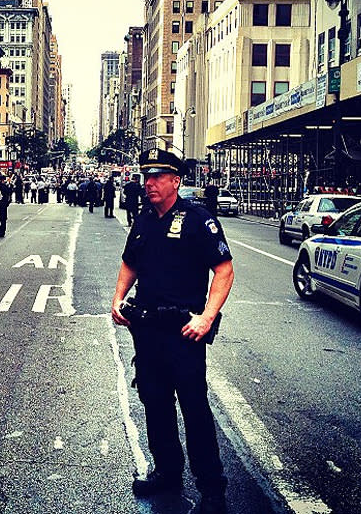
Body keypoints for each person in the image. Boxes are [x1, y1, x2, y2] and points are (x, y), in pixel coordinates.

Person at [111, 148, 234, 514]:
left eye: (156, 177)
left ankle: (212, 489)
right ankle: (167, 471)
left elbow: (224, 270)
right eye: (145, 177)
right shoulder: (145, 218)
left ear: (175, 181)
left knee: (194, 408)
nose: (148, 184)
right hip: (147, 330)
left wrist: (207, 317)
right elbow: (129, 261)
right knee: (155, 402)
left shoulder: (198, 219)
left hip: (184, 332)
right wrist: (117, 298)